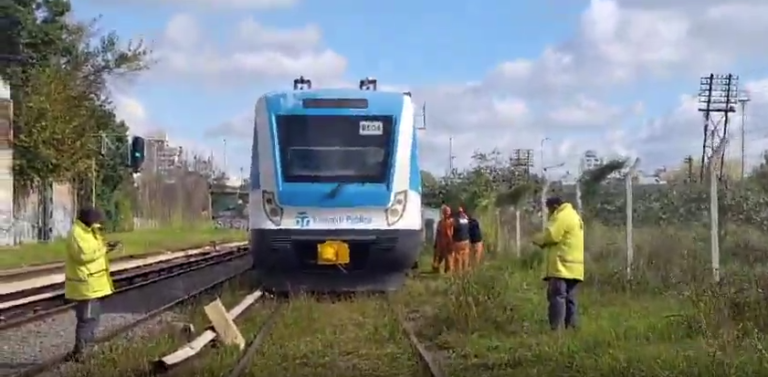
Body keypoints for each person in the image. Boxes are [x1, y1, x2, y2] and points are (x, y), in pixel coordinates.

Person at [64, 207, 119, 361]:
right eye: (95, 220)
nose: (97, 223)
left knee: (93, 319)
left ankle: (83, 349)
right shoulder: (76, 234)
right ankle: (80, 352)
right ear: (87, 220)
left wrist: (107, 247)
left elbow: (96, 248)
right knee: (86, 320)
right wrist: (103, 250)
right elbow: (83, 256)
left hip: (95, 285)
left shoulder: (91, 230)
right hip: (85, 285)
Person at [531, 196, 584, 331]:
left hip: (561, 266)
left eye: (548, 209)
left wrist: (538, 240)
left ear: (554, 207)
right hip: (575, 267)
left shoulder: (561, 216)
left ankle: (556, 330)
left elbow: (552, 236)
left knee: (557, 297)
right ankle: (571, 328)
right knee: (570, 298)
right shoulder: (574, 215)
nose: (548, 213)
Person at [449, 207, 471, 273]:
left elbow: (452, 227)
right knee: (465, 256)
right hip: (466, 241)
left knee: (458, 257)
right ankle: (465, 271)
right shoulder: (466, 220)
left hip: (458, 241)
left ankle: (458, 273)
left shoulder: (455, 221)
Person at [432, 205, 454, 273]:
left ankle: (447, 272)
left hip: (448, 243)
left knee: (448, 260)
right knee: (438, 258)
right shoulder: (440, 222)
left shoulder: (451, 222)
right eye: (445, 212)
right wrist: (436, 243)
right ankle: (436, 269)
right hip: (441, 243)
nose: (446, 213)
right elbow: (437, 234)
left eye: (448, 211)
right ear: (443, 213)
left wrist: (452, 243)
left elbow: (452, 233)